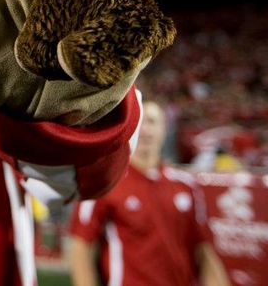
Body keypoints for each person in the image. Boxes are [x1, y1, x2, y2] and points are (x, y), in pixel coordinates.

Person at [69, 101, 230, 286]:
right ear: (130, 127)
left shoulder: (186, 186)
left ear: (164, 130)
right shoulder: (106, 182)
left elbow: (204, 251)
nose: (146, 129)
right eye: (140, 121)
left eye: (152, 122)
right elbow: (80, 245)